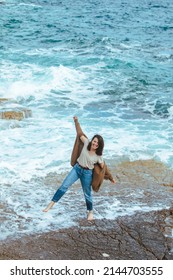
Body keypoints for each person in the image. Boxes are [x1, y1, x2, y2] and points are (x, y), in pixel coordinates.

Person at [43, 116, 116, 220]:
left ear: (99, 146)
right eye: (94, 141)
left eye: (97, 143)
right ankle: (51, 204)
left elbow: (104, 169)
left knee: (87, 194)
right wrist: (76, 121)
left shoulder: (98, 157)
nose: (95, 144)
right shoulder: (86, 143)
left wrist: (111, 178)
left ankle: (90, 211)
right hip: (77, 169)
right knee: (64, 186)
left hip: (87, 174)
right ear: (92, 141)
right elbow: (79, 133)